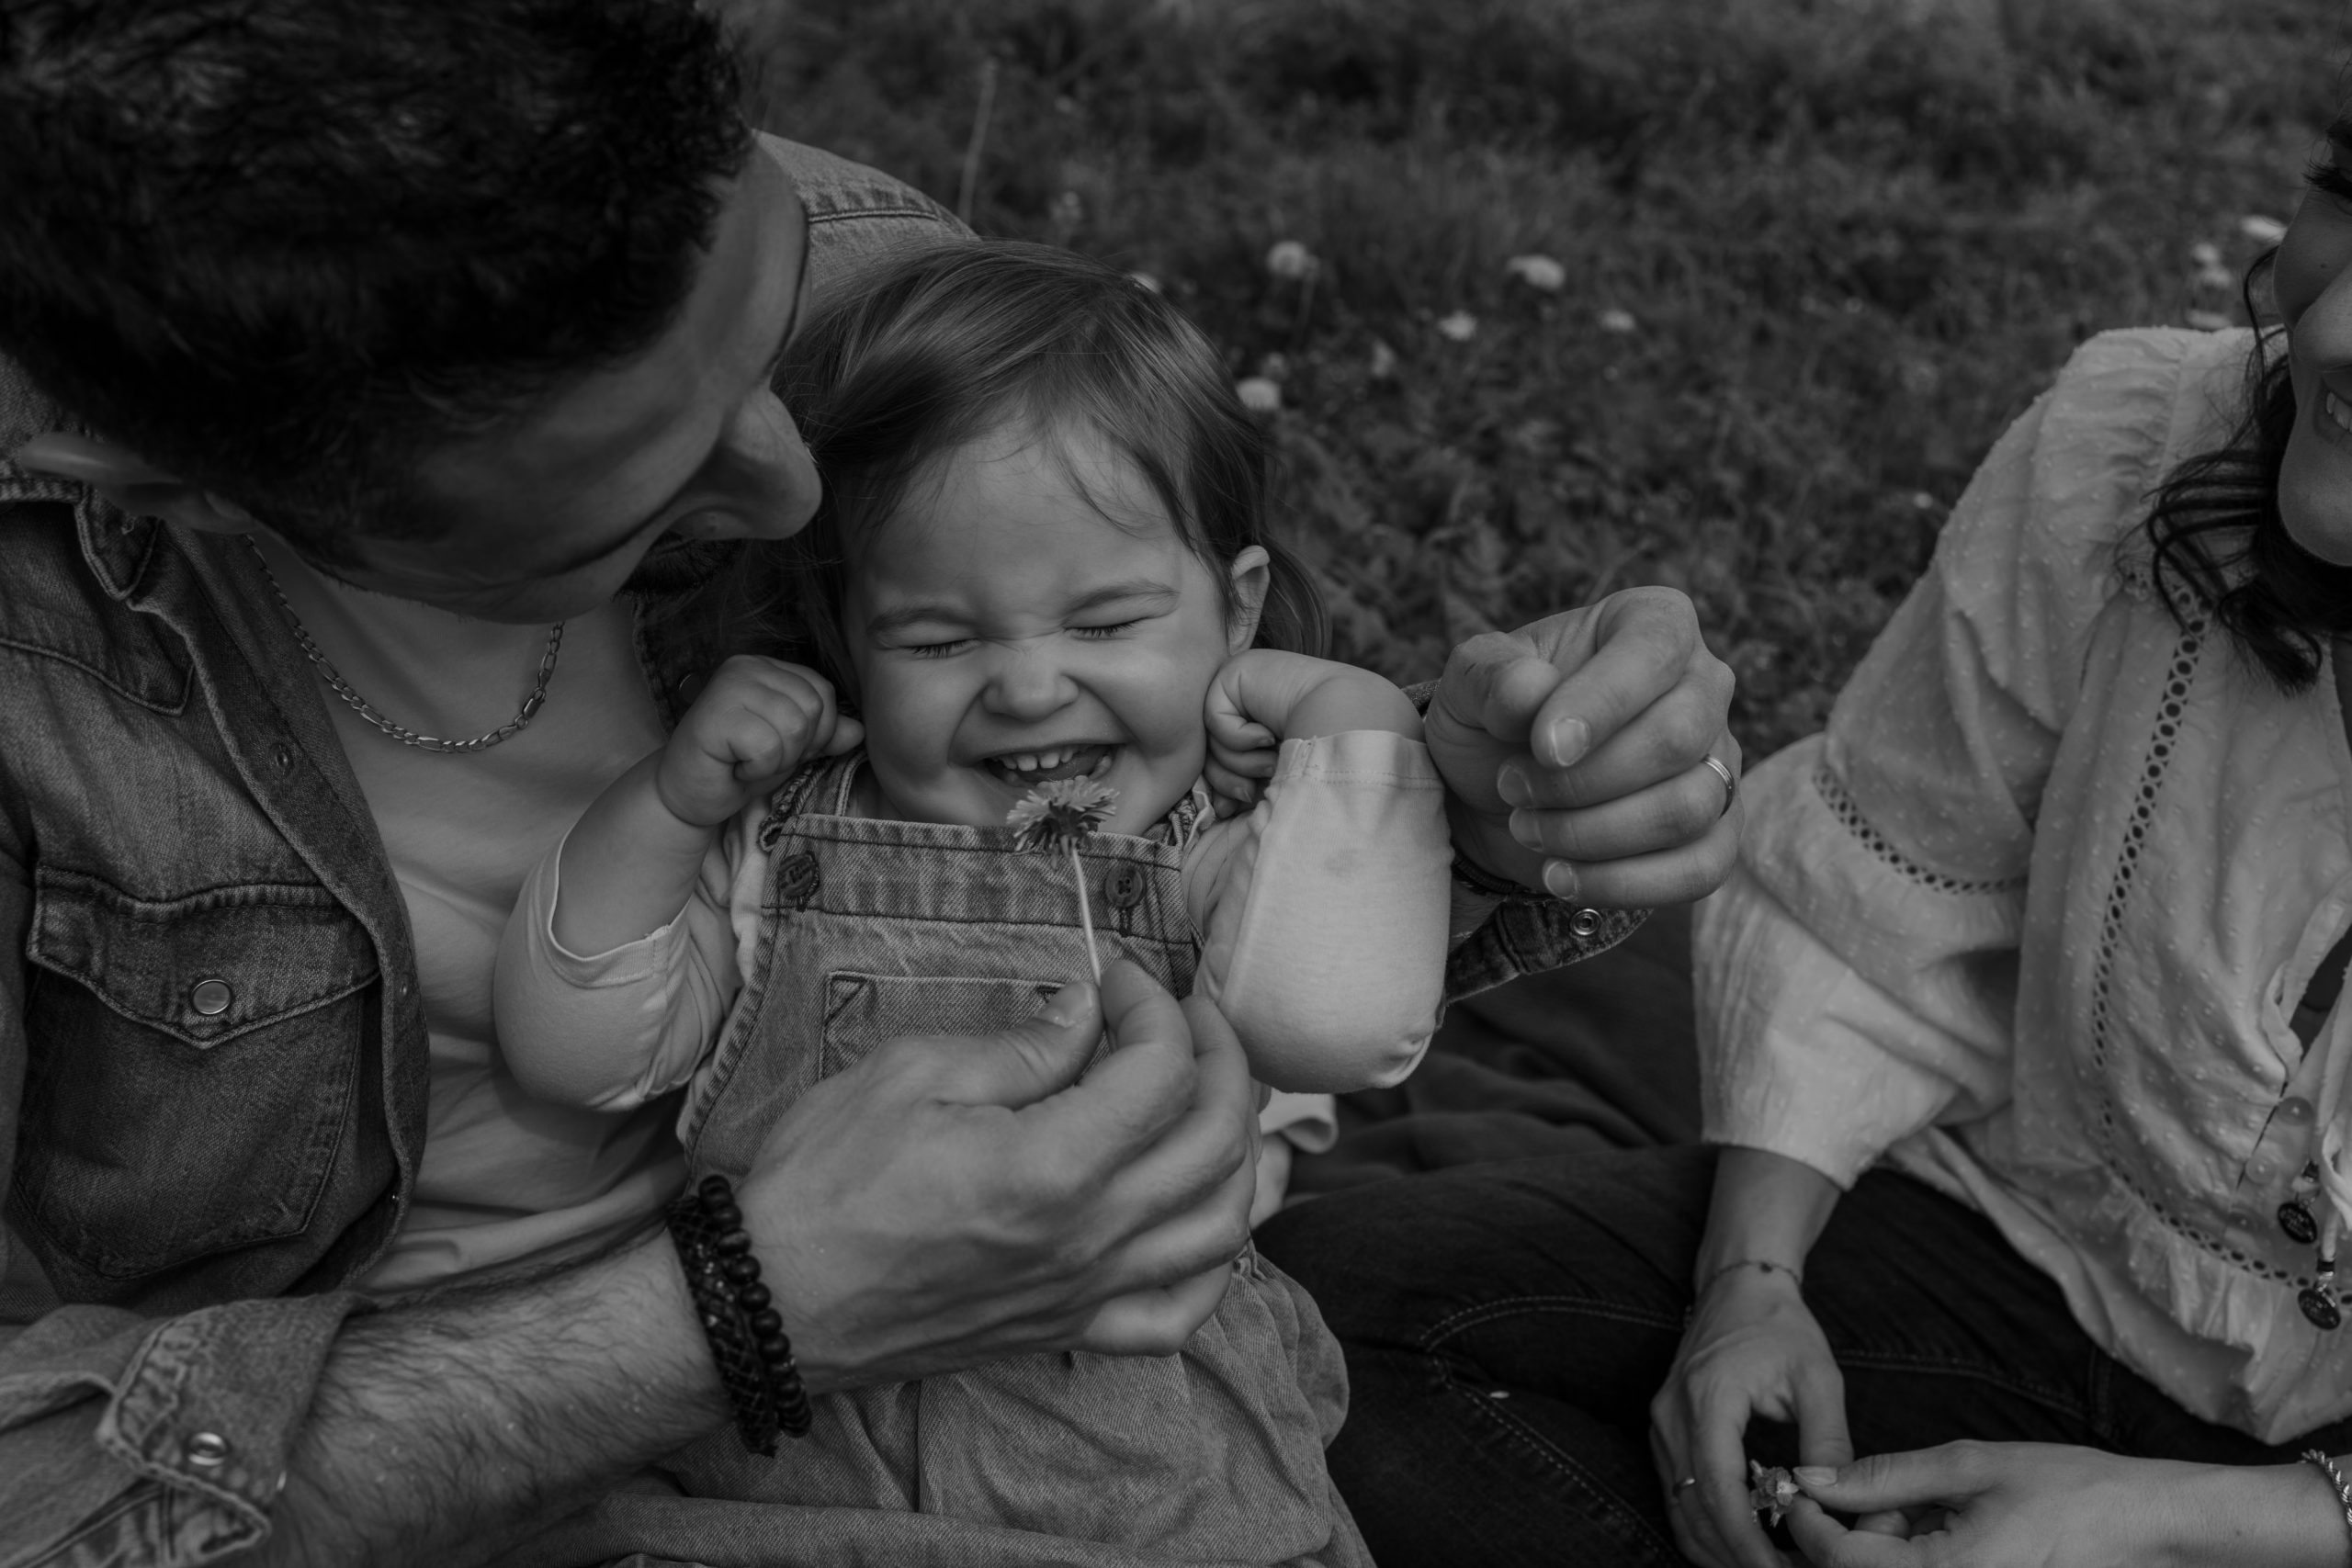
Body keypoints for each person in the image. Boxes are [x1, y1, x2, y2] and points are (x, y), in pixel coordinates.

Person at [0, 3, 1740, 1563]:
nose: (790, 491)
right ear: (192, 489)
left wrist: (1475, 801)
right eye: (641, 494)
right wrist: (736, 1315)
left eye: (756, 330)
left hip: (1108, 1407)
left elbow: (1202, 814)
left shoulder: (863, 271)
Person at [1260, 106, 2352, 1568]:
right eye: (2348, 194)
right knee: (1311, 1337)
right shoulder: (2149, 444)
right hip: (2034, 1263)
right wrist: (1750, 1283)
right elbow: (1889, 894)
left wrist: (2172, 1525)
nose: (2331, 322)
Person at [493, 241, 1465, 1562]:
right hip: (772, 1468)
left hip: (1133, 1476)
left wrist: (1354, 724)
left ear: (1234, 617)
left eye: (1106, 622)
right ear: (846, 641)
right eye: (941, 642)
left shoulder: (1215, 858)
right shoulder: (783, 846)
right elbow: (573, 1055)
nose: (1024, 687)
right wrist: (663, 811)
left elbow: (1334, 1021)